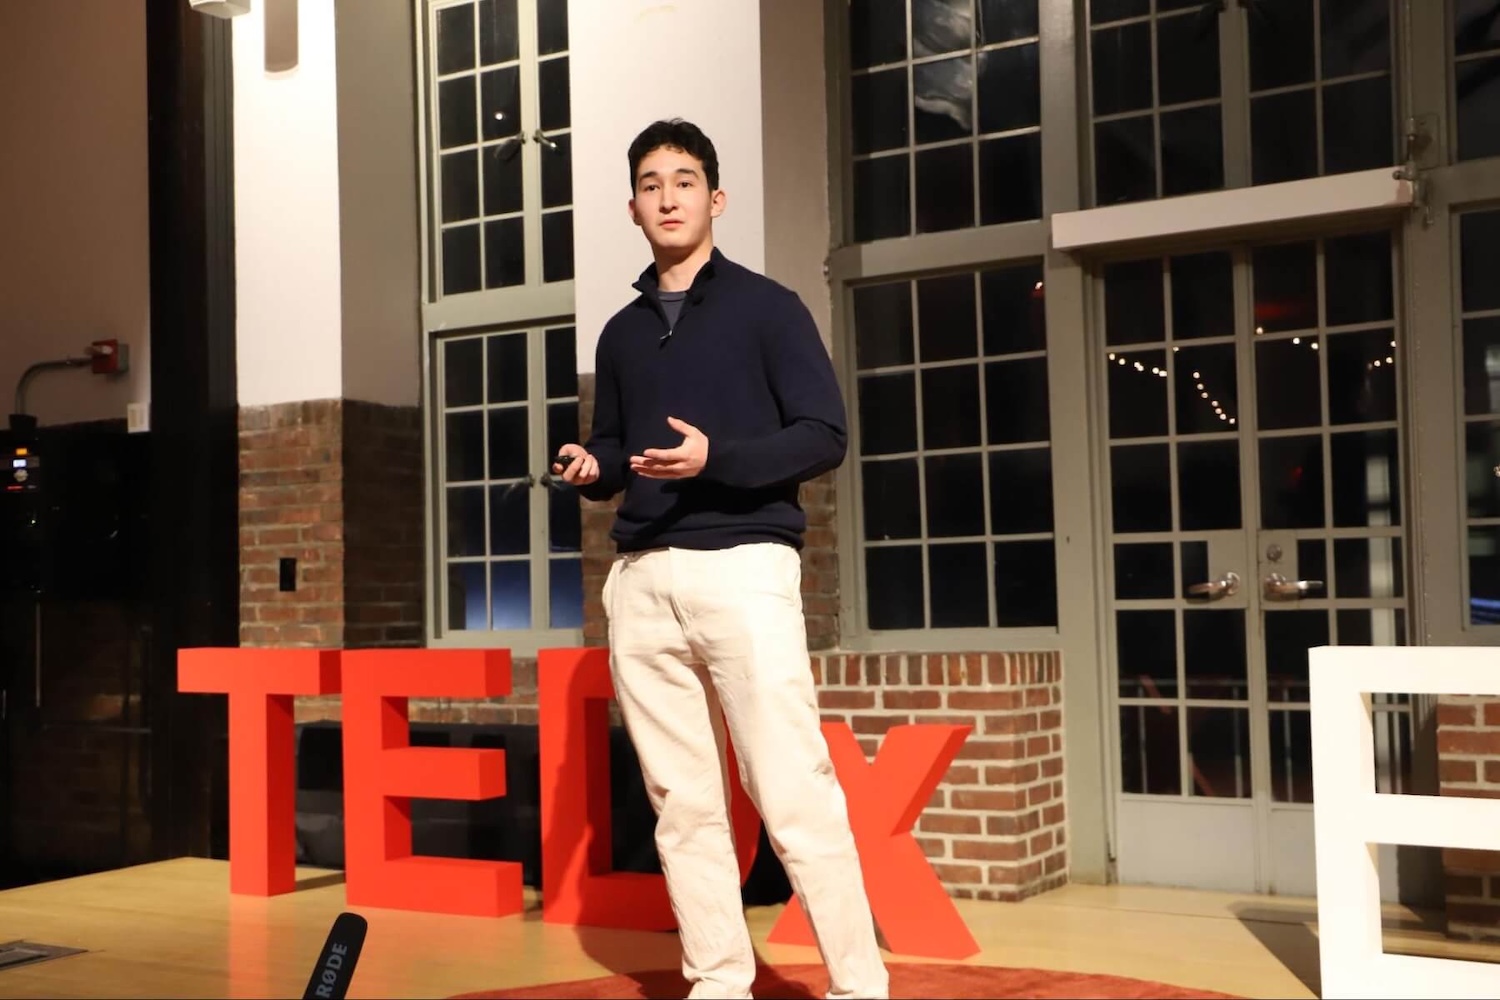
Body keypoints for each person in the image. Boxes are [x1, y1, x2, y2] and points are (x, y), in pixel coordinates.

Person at [553, 119, 890, 1000]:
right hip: (642, 578)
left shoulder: (770, 308)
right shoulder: (622, 333)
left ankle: (861, 987)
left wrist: (720, 461)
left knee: (790, 790)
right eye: (652, 184)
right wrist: (594, 469)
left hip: (743, 566)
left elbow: (825, 435)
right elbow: (618, 447)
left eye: (685, 180)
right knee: (683, 804)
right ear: (632, 206)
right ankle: (717, 982)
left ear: (717, 198)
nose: (668, 196)